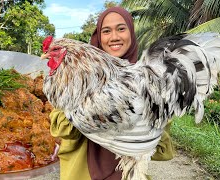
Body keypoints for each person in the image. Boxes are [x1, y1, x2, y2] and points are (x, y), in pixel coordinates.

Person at [50, 6, 175, 180]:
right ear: (98, 37)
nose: (114, 37)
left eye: (121, 29)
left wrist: (145, 117)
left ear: (131, 33)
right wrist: (90, 108)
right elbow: (61, 130)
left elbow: (161, 151)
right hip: (81, 173)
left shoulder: (149, 81)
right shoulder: (75, 78)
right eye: (106, 31)